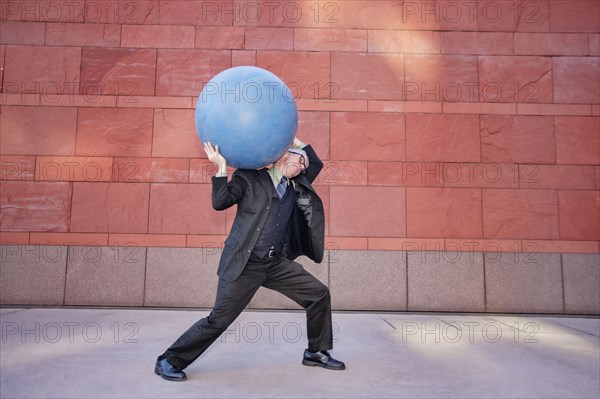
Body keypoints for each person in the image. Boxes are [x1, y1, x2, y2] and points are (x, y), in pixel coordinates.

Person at [155, 137, 345, 381]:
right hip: (244, 263)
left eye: (303, 167)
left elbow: (314, 160)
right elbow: (220, 202)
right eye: (298, 159)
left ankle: (316, 351)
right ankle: (169, 360)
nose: (301, 167)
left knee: (319, 293)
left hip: (275, 264)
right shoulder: (249, 178)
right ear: (282, 156)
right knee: (218, 320)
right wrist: (221, 167)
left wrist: (295, 139)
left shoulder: (296, 184)